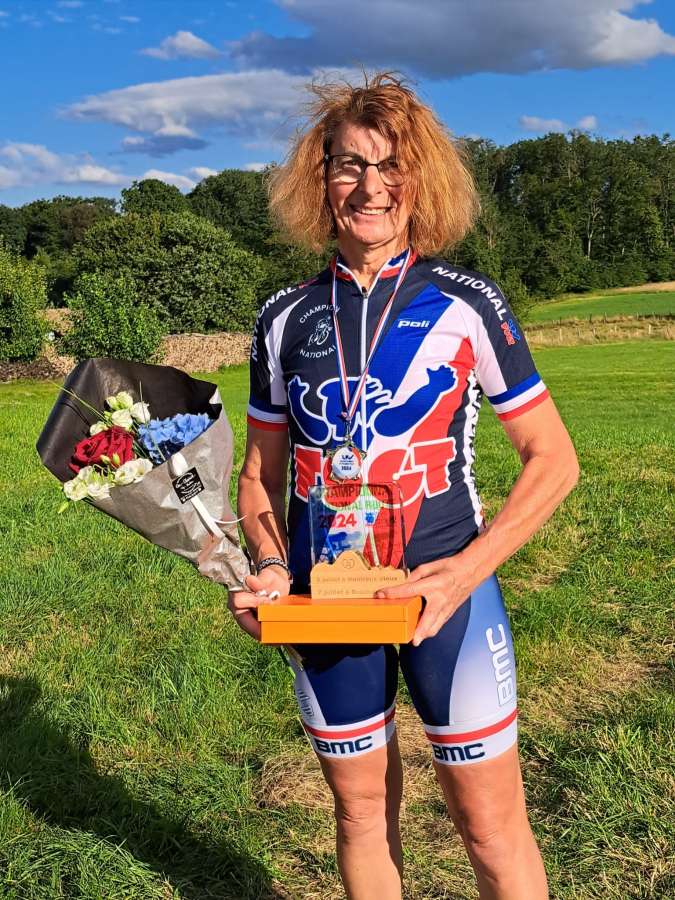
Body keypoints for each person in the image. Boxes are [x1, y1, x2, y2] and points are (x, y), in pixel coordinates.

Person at [231, 72, 578, 900]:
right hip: (324, 600)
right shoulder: (282, 317)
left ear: (420, 179)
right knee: (358, 815)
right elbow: (258, 476)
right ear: (319, 179)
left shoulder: (467, 302)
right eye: (348, 165)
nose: (370, 186)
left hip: (446, 594)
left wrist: (463, 574)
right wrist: (271, 567)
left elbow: (552, 459)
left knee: (488, 825)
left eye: (391, 165)